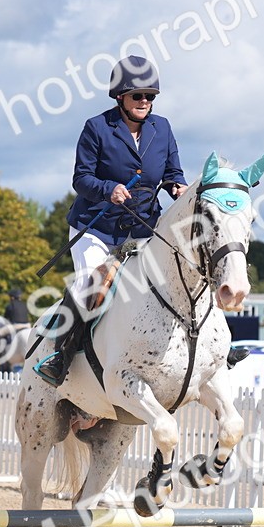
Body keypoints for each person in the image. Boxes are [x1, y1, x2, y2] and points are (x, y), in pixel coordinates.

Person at [34, 55, 189, 385]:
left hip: (143, 226)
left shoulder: (162, 128)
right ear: (121, 97)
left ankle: (199, 347)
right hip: (97, 226)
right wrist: (109, 189)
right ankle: (61, 355)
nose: (145, 102)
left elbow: (173, 171)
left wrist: (178, 186)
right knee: (91, 282)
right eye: (138, 96)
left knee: (173, 278)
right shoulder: (97, 128)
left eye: (150, 96)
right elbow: (81, 178)